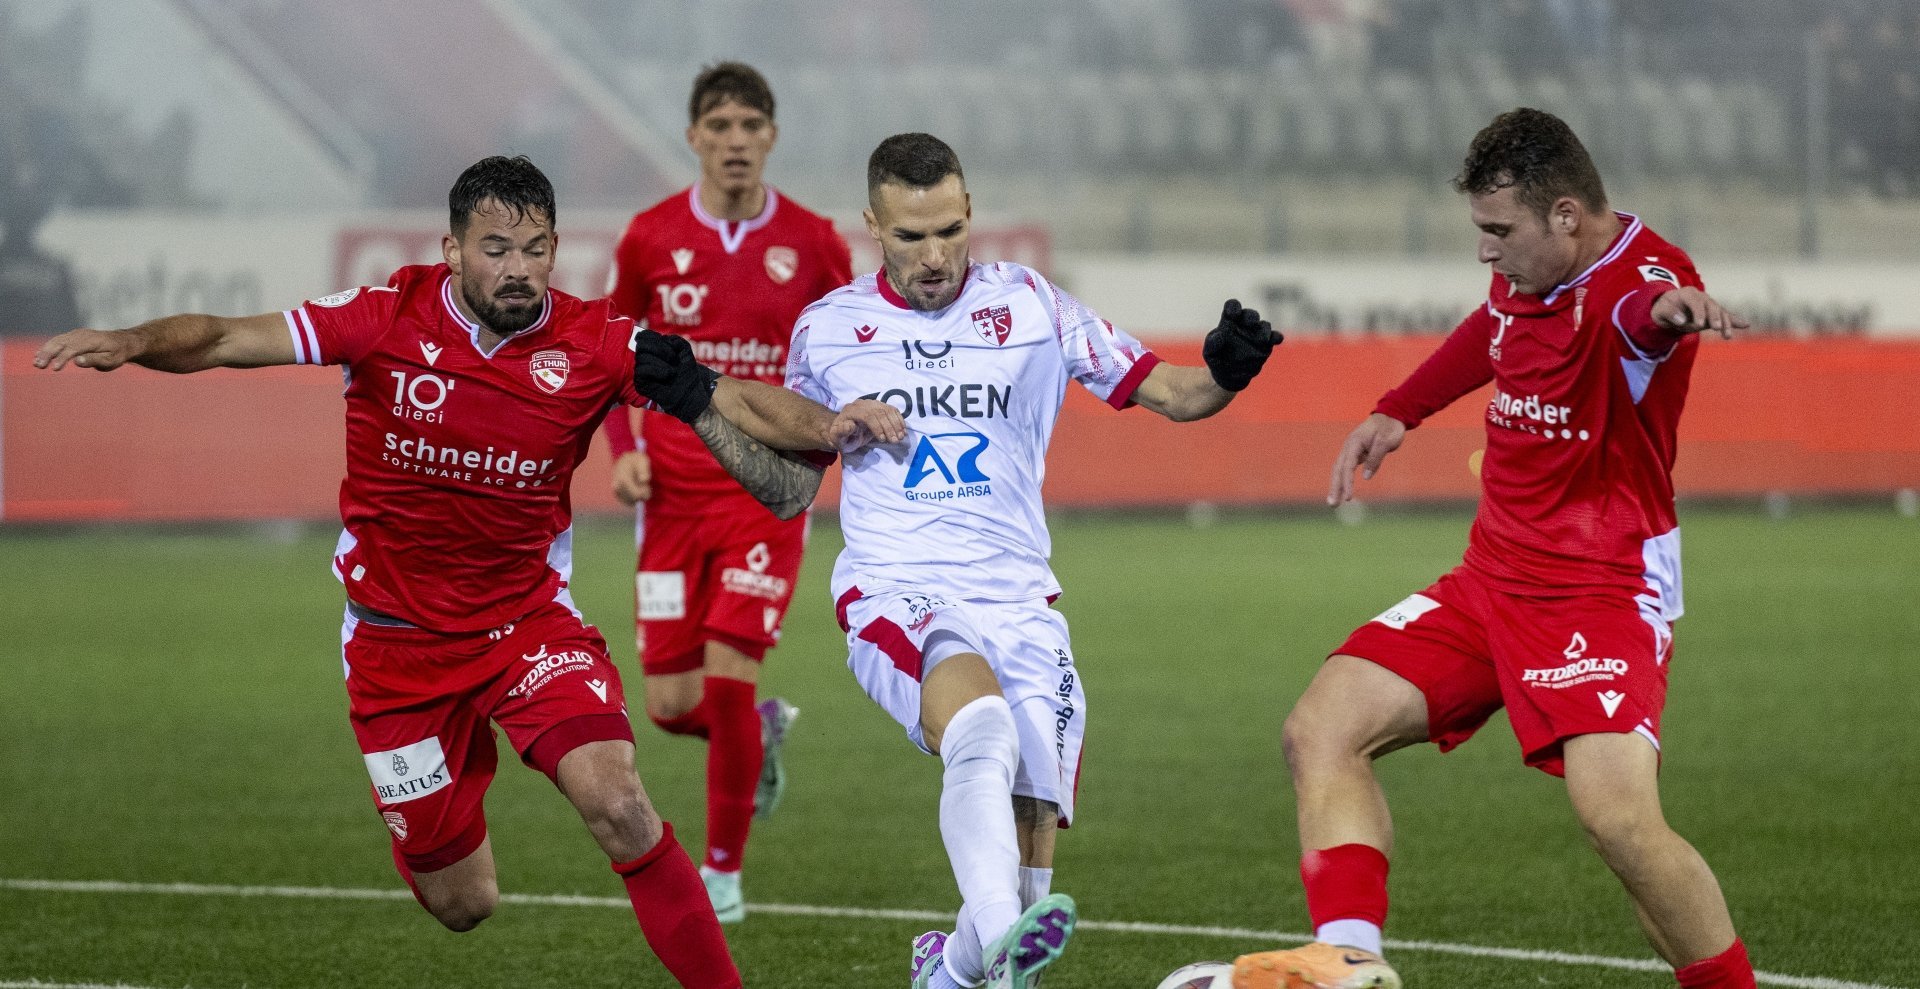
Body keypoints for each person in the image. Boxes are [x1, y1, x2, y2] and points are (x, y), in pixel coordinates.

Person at [33, 156, 903, 989]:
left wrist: (831, 425)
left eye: (535, 248)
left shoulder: (599, 341)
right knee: (464, 902)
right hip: (394, 648)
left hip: (526, 629)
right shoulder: (383, 316)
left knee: (620, 800)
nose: (518, 269)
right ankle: (425, 816)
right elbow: (224, 337)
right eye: (495, 249)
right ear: (452, 250)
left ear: (555, 250)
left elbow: (736, 397)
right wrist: (130, 340)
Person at [1230, 109, 1755, 989]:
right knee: (1321, 727)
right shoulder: (1525, 276)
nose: (1486, 252)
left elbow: (1643, 315)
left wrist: (1675, 313)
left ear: (1566, 218)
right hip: (1491, 577)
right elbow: (1492, 330)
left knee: (1619, 822)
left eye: (1497, 231)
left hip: (1601, 585)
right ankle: (1349, 959)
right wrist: (1399, 408)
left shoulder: (1645, 280)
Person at [785, 133, 1283, 989]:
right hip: (898, 588)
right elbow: (788, 471)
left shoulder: (1033, 307)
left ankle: (956, 967)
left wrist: (1226, 375)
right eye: (910, 237)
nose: (934, 255)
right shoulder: (826, 332)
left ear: (971, 210)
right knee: (979, 726)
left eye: (948, 229)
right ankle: (993, 939)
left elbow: (1168, 391)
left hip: (1019, 599)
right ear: (872, 225)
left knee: (1029, 825)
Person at [598, 61, 853, 924]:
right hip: (670, 492)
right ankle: (758, 738)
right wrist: (622, 450)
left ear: (772, 136)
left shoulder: (816, 242)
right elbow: (613, 355)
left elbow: (849, 350)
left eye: (751, 126)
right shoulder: (647, 238)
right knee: (671, 705)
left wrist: (832, 436)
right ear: (694, 137)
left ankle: (723, 874)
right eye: (721, 127)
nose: (736, 141)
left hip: (765, 492)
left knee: (731, 678)